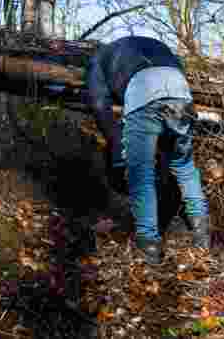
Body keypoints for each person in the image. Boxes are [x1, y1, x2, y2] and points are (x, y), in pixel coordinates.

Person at [85, 35, 210, 264]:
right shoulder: (154, 46)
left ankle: (149, 245)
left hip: (143, 93)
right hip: (180, 91)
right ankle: (202, 235)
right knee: (183, 164)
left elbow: (98, 104)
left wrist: (115, 142)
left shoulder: (98, 59)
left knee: (141, 173)